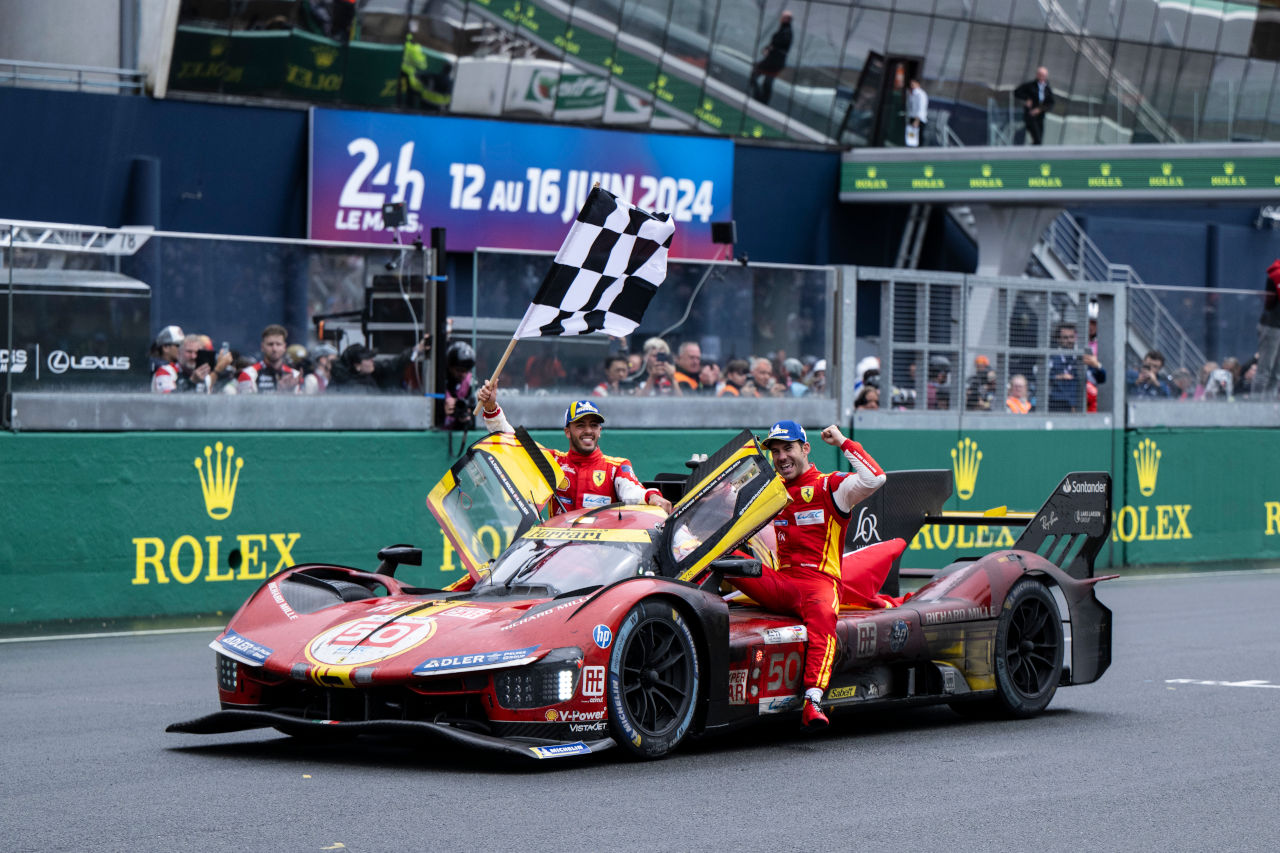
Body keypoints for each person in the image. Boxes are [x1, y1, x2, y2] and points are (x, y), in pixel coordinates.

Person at [727, 421, 886, 729]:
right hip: (781, 583)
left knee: (823, 619)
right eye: (775, 451)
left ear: (806, 449)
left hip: (819, 585)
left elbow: (875, 478)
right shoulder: (771, 491)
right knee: (724, 560)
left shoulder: (830, 486)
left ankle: (813, 699)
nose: (781, 457)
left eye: (788, 448)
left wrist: (842, 441)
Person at [475, 381, 674, 515]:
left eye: (593, 425)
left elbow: (632, 491)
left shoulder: (616, 467)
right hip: (559, 556)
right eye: (580, 425)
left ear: (600, 431)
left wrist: (652, 497)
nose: (588, 431)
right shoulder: (553, 462)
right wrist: (491, 407)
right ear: (567, 432)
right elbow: (511, 442)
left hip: (603, 558)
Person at [237, 324, 301, 393]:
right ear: (262, 347)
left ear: (284, 347)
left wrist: (289, 390)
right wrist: (280, 391)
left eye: (278, 344)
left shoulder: (295, 375)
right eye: (270, 344)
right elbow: (246, 400)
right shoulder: (248, 374)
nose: (274, 349)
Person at [750, 10, 793, 105]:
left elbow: (779, 44)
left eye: (784, 17)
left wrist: (770, 49)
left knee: (761, 77)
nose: (781, 19)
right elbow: (776, 44)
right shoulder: (784, 30)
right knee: (766, 80)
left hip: (774, 61)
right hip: (775, 61)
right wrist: (768, 48)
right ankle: (761, 99)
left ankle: (760, 99)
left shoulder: (786, 32)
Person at [1255, 259, 1280, 399]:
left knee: (1277, 373)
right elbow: (1268, 304)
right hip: (1272, 326)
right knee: (1265, 370)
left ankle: (1270, 405)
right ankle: (1256, 404)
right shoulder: (1276, 275)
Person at [1013, 66, 1055, 145]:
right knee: (1036, 136)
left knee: (1039, 139)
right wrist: (1027, 99)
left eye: (1044, 75)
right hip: (1030, 116)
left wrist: (1040, 109)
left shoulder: (1047, 89)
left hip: (1040, 116)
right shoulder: (1030, 86)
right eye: (1040, 75)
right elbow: (1017, 92)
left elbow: (1051, 103)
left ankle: (1034, 151)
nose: (1042, 77)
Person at [442, 340, 477, 430]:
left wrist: (466, 418)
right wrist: (441, 410)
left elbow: (474, 415)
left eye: (466, 370)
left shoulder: (471, 383)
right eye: (459, 370)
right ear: (450, 367)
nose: (463, 374)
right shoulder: (438, 382)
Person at [150, 325, 185, 393]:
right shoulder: (163, 370)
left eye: (183, 345)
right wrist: (192, 382)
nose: (182, 348)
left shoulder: (176, 367)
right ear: (166, 347)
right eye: (178, 345)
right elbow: (169, 398)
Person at [906, 78, 928, 147]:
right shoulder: (911, 94)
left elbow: (921, 108)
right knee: (911, 137)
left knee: (918, 138)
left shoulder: (921, 94)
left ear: (918, 84)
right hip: (912, 117)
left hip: (918, 119)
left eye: (913, 84)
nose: (912, 86)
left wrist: (917, 120)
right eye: (911, 84)